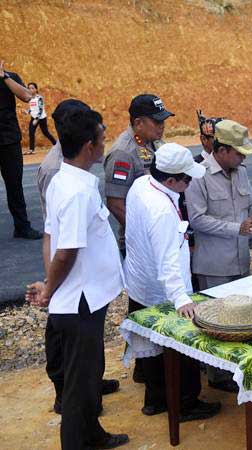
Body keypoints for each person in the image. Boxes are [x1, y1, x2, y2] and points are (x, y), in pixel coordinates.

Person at [25, 108, 129, 449]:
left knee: (88, 378)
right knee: (79, 387)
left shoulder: (67, 180)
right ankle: (78, 441)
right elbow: (65, 251)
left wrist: (47, 284)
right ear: (89, 146)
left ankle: (92, 434)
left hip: (85, 298)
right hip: (80, 302)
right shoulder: (76, 192)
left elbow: (50, 237)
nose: (105, 143)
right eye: (102, 137)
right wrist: (49, 289)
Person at [124, 142, 221, 421]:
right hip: (164, 290)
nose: (190, 183)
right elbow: (168, 259)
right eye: (187, 179)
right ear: (170, 180)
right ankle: (186, 403)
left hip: (141, 280)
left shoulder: (143, 184)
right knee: (181, 349)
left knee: (152, 352)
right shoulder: (162, 210)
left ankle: (155, 400)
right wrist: (182, 298)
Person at [187, 119, 252, 289]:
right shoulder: (199, 175)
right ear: (222, 150)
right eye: (239, 153)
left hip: (241, 263)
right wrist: (237, 228)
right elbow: (197, 220)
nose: (243, 157)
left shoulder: (241, 172)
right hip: (214, 269)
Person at [103, 93, 174, 251]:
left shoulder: (153, 141)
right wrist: (144, 234)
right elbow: (116, 205)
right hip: (142, 243)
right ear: (138, 123)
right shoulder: (123, 153)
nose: (162, 125)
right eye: (157, 121)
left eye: (163, 120)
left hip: (162, 232)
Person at [0, 60, 42, 239]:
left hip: (8, 139)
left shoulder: (10, 77)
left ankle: (22, 227)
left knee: (14, 185)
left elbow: (27, 96)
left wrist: (4, 77)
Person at [24, 82, 57, 155]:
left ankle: (56, 145)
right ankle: (31, 150)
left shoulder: (39, 98)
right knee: (31, 133)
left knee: (46, 132)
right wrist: (27, 112)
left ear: (36, 89)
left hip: (41, 118)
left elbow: (40, 109)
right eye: (29, 88)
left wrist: (36, 119)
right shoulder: (30, 99)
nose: (30, 89)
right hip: (34, 118)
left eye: (32, 88)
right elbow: (32, 108)